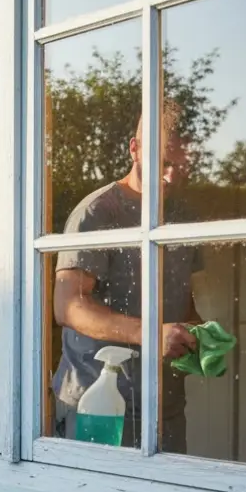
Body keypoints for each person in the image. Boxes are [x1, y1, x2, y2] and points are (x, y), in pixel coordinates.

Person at [50, 102, 203, 452]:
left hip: (165, 407)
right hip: (96, 404)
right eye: (163, 163)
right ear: (134, 148)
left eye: (180, 165)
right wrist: (151, 335)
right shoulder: (97, 213)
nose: (171, 177)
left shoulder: (182, 214)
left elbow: (181, 296)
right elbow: (68, 306)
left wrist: (199, 334)